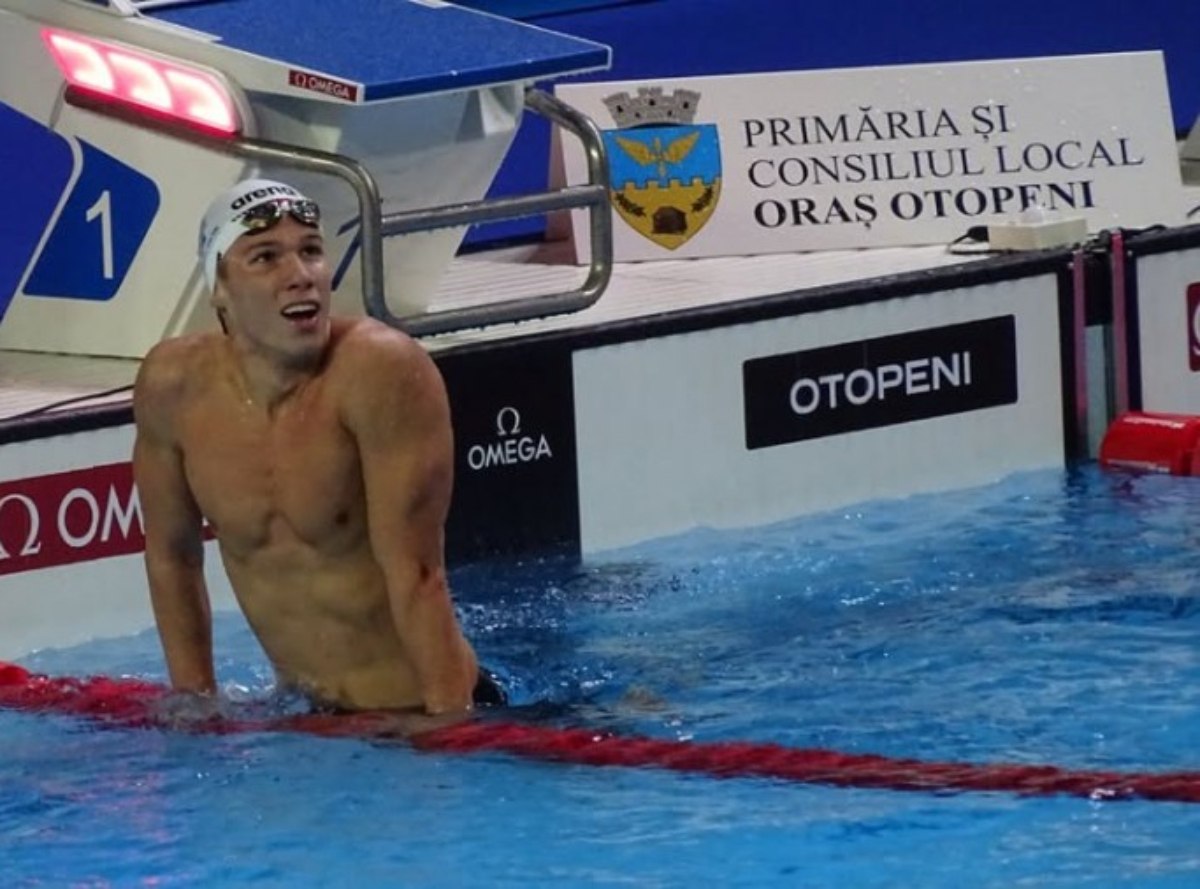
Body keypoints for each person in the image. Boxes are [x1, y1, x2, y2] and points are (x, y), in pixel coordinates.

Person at [132, 177, 500, 727]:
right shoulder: (172, 386)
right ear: (219, 287)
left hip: (419, 708)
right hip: (306, 717)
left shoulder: (379, 370)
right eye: (265, 257)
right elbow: (172, 557)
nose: (300, 274)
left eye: (310, 250)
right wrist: (196, 705)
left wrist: (452, 730)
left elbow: (419, 574)